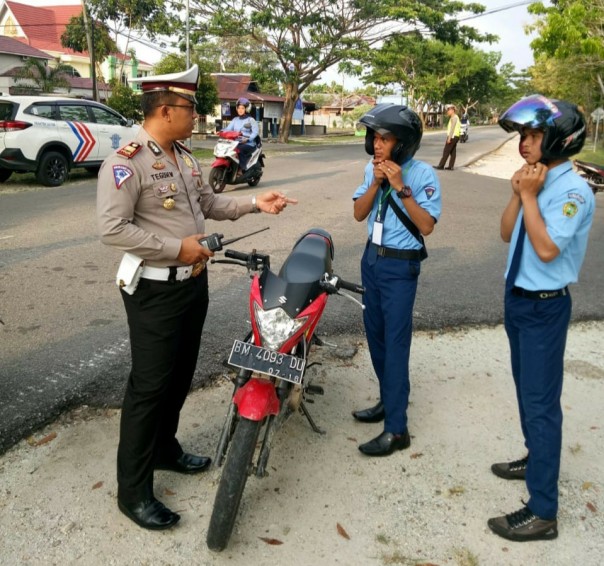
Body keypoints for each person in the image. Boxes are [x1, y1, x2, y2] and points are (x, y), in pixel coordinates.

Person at [96, 65, 297, 531]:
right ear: (165, 109)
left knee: (180, 374)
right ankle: (133, 492)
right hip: (154, 291)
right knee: (148, 388)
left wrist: (254, 203)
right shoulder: (126, 161)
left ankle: (165, 449)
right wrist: (175, 249)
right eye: (190, 107)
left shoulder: (184, 155)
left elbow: (207, 204)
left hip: (193, 283)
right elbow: (111, 229)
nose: (197, 114)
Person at [488, 94, 594, 542]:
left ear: (555, 139)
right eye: (523, 136)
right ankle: (536, 457)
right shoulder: (537, 181)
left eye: (531, 135)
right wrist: (519, 194)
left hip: (544, 306)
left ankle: (543, 512)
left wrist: (529, 195)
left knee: (541, 404)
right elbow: (507, 230)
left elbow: (548, 249)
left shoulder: (572, 191)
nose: (524, 144)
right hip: (519, 300)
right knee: (526, 392)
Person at [352, 104, 442, 457]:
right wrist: (376, 183)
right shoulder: (369, 170)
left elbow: (427, 226)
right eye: (374, 137)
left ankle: (397, 429)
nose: (377, 145)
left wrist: (400, 187)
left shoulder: (422, 175)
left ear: (402, 143)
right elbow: (359, 213)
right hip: (371, 259)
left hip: (400, 267)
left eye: (385, 139)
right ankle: (388, 401)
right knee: (375, 337)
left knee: (396, 343)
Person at [222, 97, 259, 172]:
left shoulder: (251, 120)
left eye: (242, 108)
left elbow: (255, 132)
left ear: (246, 109)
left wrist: (248, 139)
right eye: (239, 108)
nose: (240, 110)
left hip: (249, 143)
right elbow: (228, 129)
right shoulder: (235, 119)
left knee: (238, 149)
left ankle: (243, 168)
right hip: (236, 142)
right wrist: (220, 131)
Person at [435, 104, 461, 170]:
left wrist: (449, 138)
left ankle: (441, 165)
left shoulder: (454, 118)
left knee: (446, 151)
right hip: (455, 136)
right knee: (452, 151)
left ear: (452, 110)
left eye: (448, 110)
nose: (447, 112)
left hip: (452, 136)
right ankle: (451, 166)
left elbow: (452, 128)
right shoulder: (454, 117)